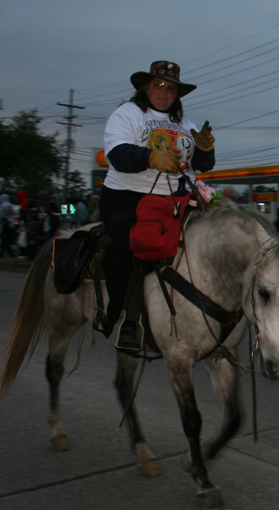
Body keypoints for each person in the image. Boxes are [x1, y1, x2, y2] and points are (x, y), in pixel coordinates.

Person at [101, 60, 215, 349]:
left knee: (216, 237)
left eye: (170, 88)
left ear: (177, 94)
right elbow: (116, 154)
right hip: (128, 194)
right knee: (133, 240)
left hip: (175, 198)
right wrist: (150, 158)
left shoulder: (184, 123)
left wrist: (204, 148)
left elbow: (202, 166)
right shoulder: (127, 113)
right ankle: (128, 317)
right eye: (158, 85)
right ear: (145, 87)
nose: (163, 92)